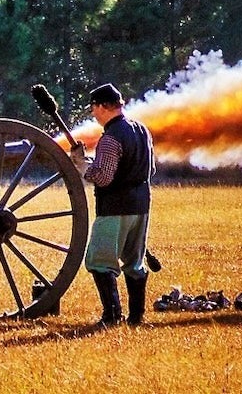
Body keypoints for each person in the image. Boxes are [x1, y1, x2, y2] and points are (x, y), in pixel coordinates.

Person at [81, 82, 154, 327]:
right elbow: (149, 168)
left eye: (93, 108)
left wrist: (82, 166)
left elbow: (103, 177)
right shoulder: (142, 130)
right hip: (141, 205)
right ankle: (136, 317)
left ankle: (112, 317)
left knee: (99, 261)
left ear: (103, 107)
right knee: (134, 263)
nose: (92, 113)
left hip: (114, 208)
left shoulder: (110, 138)